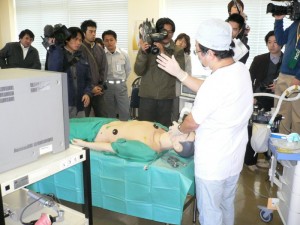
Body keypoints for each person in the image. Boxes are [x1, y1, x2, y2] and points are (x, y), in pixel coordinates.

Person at [157, 19, 253, 225]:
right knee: (226, 206)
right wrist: (181, 74)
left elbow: (192, 122)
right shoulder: (240, 70)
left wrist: (178, 130)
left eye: (198, 51)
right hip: (233, 160)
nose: (197, 55)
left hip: (213, 164)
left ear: (210, 54)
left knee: (210, 214)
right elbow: (210, 88)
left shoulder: (217, 83)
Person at [134, 17, 185, 127]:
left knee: (162, 130)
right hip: (147, 97)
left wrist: (163, 52)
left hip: (165, 98)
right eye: (163, 31)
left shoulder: (177, 51)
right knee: (144, 129)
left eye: (170, 31)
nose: (167, 34)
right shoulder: (148, 47)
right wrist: (143, 53)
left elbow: (180, 72)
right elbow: (138, 71)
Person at [244, 30, 283, 171]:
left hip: (278, 100)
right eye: (269, 42)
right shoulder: (259, 59)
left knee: (274, 129)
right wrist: (251, 95)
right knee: (253, 129)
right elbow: (248, 78)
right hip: (259, 97)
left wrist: (280, 86)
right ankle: (250, 160)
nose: (272, 45)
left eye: (276, 42)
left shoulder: (287, 61)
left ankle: (269, 159)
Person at [71, 119, 195, 158]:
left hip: (91, 133)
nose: (184, 129)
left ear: (177, 146)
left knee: (57, 127)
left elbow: (112, 148)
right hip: (105, 121)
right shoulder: (163, 129)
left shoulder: (148, 149)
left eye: (186, 134)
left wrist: (85, 144)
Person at [47, 27, 92, 118]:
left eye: (80, 40)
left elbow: (88, 79)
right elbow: (54, 71)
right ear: (67, 39)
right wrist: (57, 46)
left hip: (80, 106)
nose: (79, 43)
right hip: (63, 104)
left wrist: (87, 93)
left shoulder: (81, 57)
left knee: (79, 131)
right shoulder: (56, 53)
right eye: (75, 39)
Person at [273, 15, 300, 134]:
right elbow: (280, 40)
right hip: (284, 75)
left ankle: (296, 149)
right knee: (282, 114)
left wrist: (299, 77)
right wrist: (278, 20)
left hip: (296, 78)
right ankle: (281, 148)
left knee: (297, 117)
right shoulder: (296, 24)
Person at [80, 20, 108, 117]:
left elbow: (104, 69)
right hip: (85, 92)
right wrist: (91, 89)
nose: (93, 34)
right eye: (90, 31)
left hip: (99, 91)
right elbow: (80, 73)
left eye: (95, 31)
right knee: (84, 119)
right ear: (84, 33)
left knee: (103, 118)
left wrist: (100, 86)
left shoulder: (99, 49)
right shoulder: (79, 49)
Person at [102, 30, 131, 120]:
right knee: (109, 112)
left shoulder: (124, 54)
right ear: (103, 42)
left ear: (116, 40)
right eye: (106, 40)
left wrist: (121, 80)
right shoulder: (102, 54)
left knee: (124, 111)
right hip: (107, 86)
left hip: (121, 86)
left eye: (111, 40)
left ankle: (125, 131)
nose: (109, 42)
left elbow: (128, 70)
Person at [173, 33, 192, 121]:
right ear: (176, 40)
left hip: (177, 89)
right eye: (180, 40)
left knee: (174, 113)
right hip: (163, 88)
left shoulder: (187, 57)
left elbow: (188, 74)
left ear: (186, 46)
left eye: (184, 42)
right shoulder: (168, 52)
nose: (181, 43)